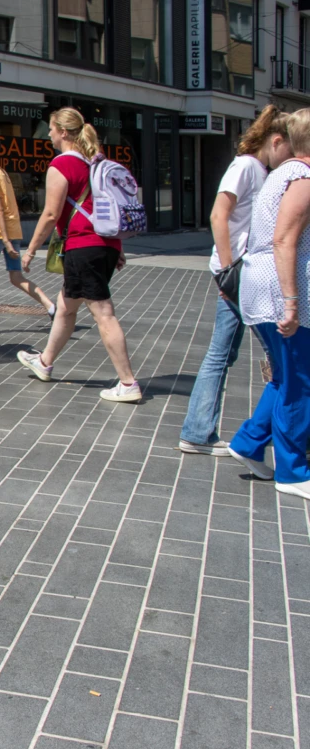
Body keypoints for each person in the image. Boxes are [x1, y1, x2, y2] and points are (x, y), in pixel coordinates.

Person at [179, 107, 291, 456]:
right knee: (274, 356)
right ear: (276, 141)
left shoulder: (259, 170)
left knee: (225, 353)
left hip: (243, 273)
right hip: (240, 274)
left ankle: (198, 431)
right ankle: (208, 433)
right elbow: (219, 215)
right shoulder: (245, 166)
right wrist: (229, 270)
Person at [17, 107, 141, 403]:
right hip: (104, 244)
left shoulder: (61, 165)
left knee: (103, 313)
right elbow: (105, 208)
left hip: (83, 246)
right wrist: (117, 247)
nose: (48, 134)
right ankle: (44, 362)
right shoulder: (94, 164)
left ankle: (128, 383)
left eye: (50, 129)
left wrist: (31, 249)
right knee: (65, 306)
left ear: (62, 132)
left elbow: (50, 214)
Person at [227, 107, 310, 501]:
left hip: (263, 286)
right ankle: (292, 471)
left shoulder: (283, 173)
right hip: (280, 290)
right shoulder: (303, 178)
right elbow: (284, 241)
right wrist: (291, 304)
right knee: (300, 381)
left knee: (285, 376)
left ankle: (249, 442)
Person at [0, 133, 56, 335]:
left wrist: (6, 241)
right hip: (13, 228)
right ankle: (52, 308)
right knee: (16, 276)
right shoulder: (2, 173)